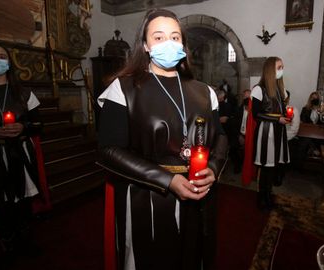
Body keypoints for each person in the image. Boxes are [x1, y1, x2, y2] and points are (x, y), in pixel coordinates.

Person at [96, 9, 227, 270]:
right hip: (148, 197)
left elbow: (220, 137)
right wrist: (167, 180)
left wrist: (213, 167)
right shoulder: (123, 88)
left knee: (193, 258)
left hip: (199, 194)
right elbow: (108, 151)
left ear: (183, 45)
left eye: (175, 37)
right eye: (158, 37)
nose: (168, 43)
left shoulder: (205, 92)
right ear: (145, 45)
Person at [0, 42, 43, 263]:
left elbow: (39, 124)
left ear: (9, 62)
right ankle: (7, 244)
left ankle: (26, 240)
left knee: (23, 202)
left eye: (2, 56)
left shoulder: (23, 93)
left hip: (19, 154)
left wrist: (24, 127)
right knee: (0, 204)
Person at [248, 56, 290, 209]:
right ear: (270, 70)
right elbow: (256, 114)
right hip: (266, 133)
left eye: (282, 67)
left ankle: (268, 196)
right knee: (266, 167)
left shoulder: (279, 90)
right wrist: (277, 119)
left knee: (273, 167)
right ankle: (261, 198)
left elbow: (280, 110)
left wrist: (284, 116)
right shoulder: (259, 89)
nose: (282, 71)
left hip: (278, 131)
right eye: (279, 67)